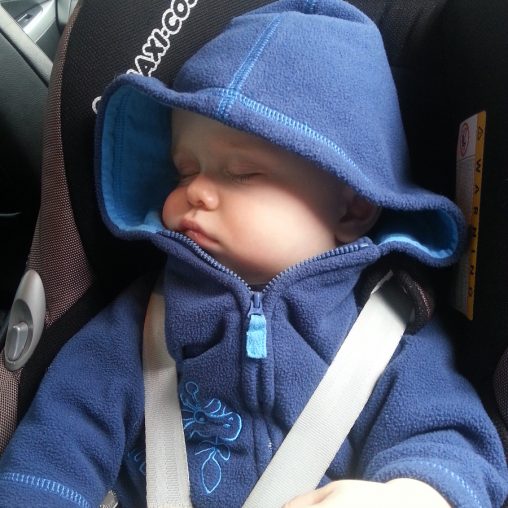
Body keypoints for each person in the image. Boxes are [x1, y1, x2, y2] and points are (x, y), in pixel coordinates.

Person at [0, 0, 507, 507]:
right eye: (184, 170)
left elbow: (452, 443)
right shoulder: (142, 322)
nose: (196, 192)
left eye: (242, 173)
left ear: (352, 208)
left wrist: (410, 495)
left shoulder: (388, 332)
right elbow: (61, 438)